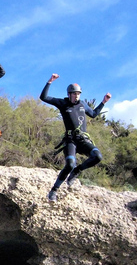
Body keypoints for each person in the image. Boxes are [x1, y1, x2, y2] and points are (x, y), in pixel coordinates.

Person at [40, 73, 111, 201]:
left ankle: (77, 171)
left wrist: (103, 102)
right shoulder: (63, 103)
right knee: (70, 164)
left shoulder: (83, 105)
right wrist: (50, 81)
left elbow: (94, 114)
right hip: (70, 140)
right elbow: (43, 97)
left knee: (97, 156)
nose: (76, 96)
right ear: (69, 94)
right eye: (74, 94)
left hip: (83, 140)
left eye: (78, 94)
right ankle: (53, 191)